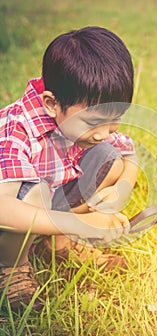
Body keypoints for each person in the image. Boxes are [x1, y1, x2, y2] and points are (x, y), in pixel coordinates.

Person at [0, 26, 138, 310]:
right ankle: (12, 267)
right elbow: (4, 208)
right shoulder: (17, 131)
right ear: (51, 103)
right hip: (9, 213)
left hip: (43, 206)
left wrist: (120, 189)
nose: (104, 132)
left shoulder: (84, 118)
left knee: (109, 157)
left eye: (115, 119)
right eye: (94, 122)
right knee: (33, 190)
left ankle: (57, 246)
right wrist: (80, 223)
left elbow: (129, 155)